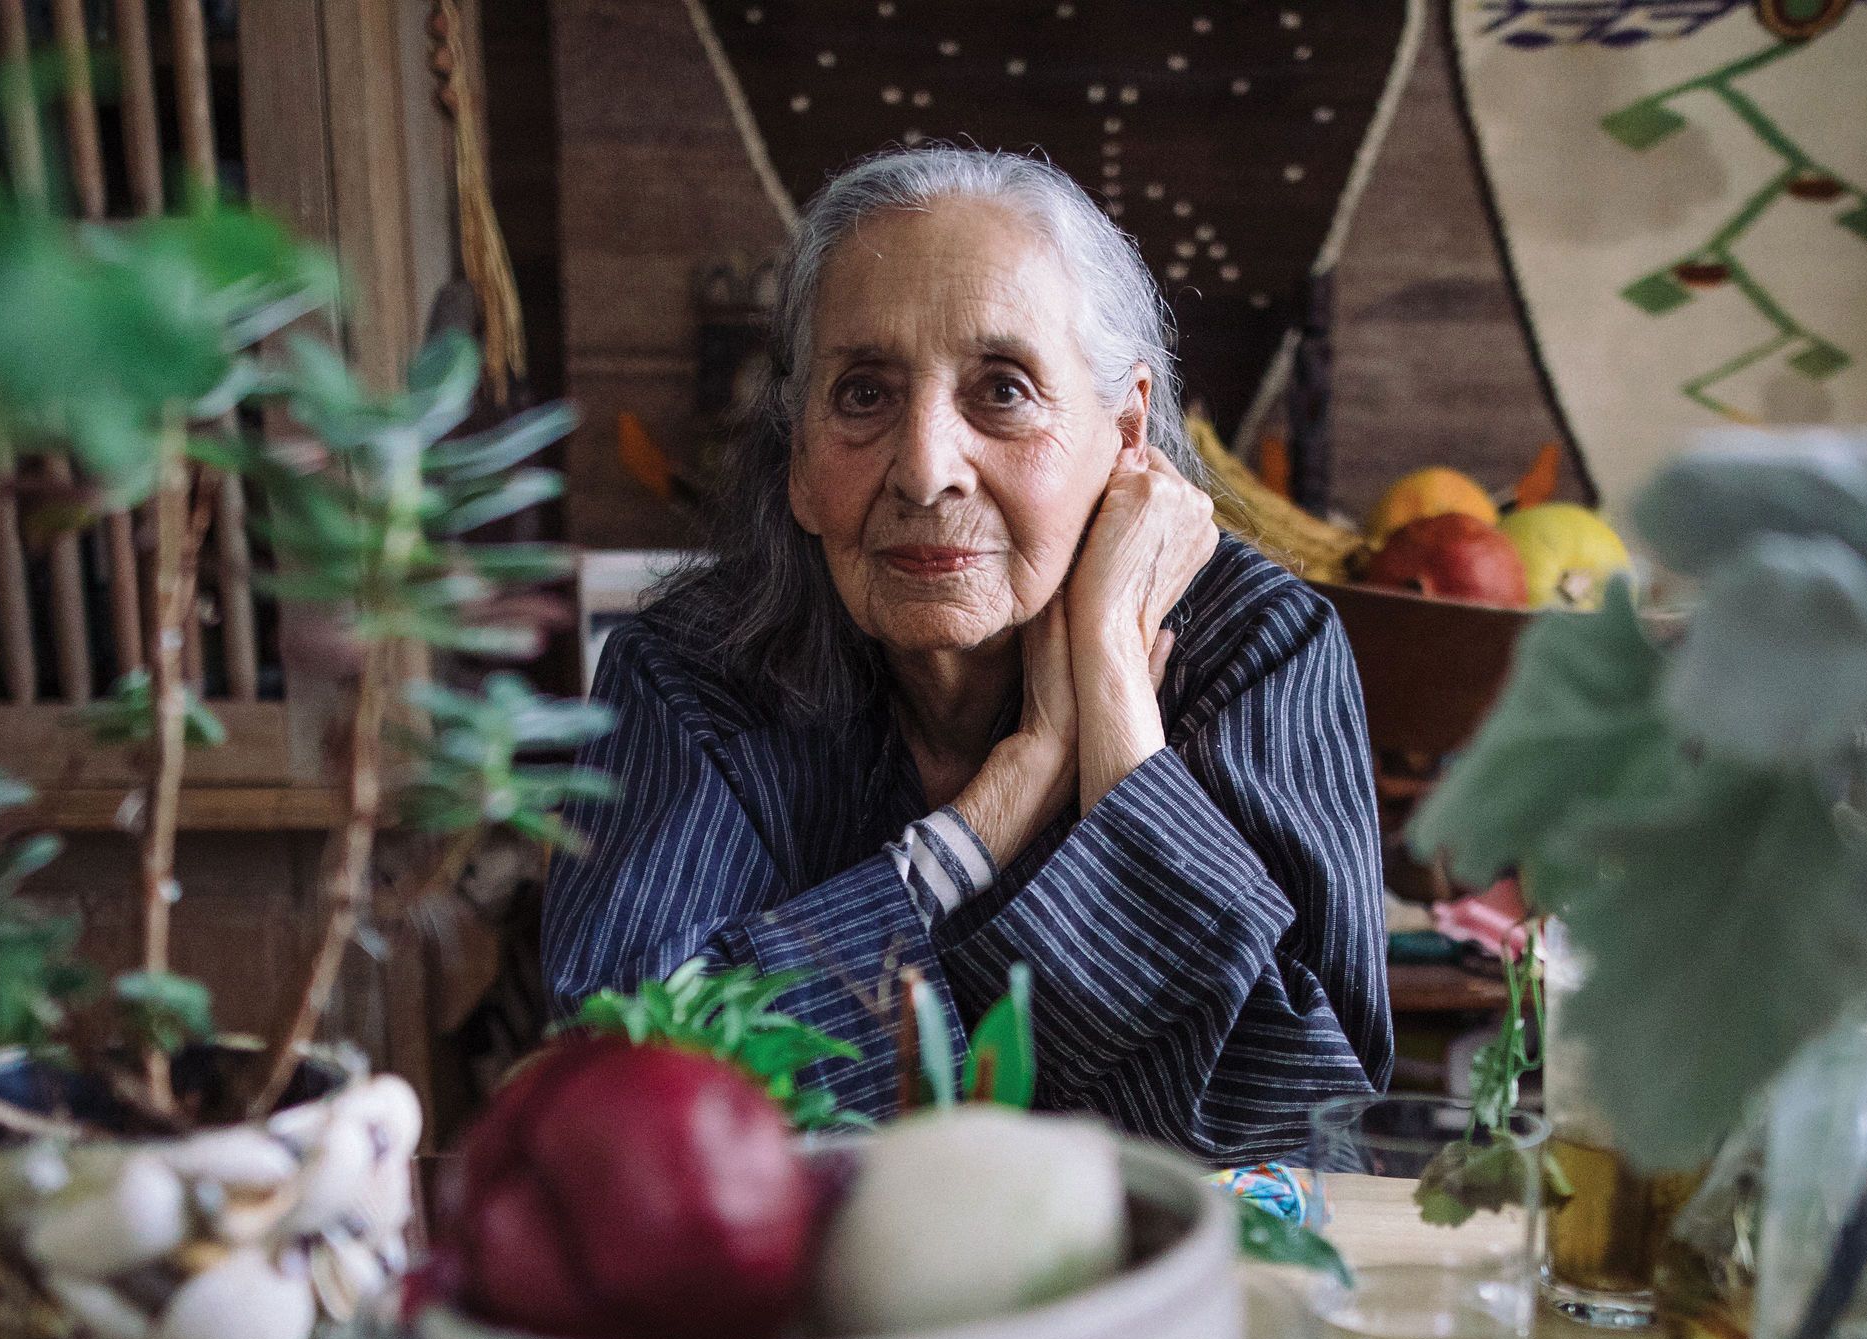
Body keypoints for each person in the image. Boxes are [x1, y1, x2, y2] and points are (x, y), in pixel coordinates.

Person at [544, 145, 1390, 1165]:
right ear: (801, 461)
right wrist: (1006, 800)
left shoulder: (1260, 651)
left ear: (1126, 434)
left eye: (1002, 389)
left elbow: (1297, 1123)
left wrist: (1115, 697)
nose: (927, 468)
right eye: (862, 395)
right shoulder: (691, 674)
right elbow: (618, 1098)